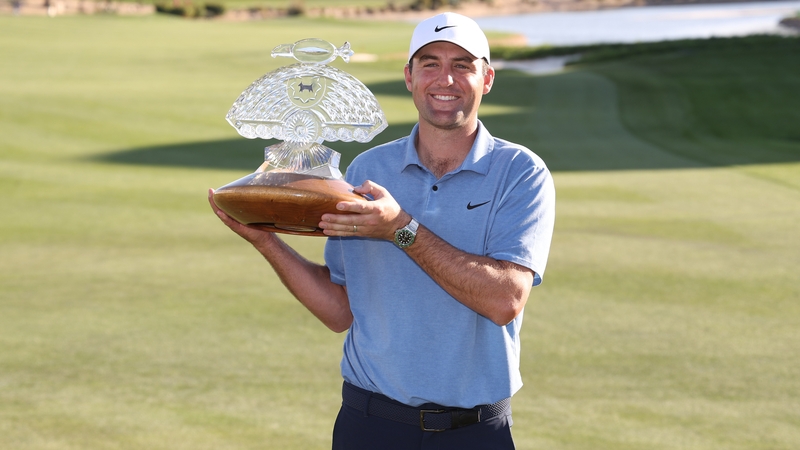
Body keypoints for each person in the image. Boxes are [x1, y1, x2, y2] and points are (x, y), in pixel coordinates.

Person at [209, 11, 555, 450]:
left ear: (486, 78)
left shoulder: (521, 172)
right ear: (409, 76)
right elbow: (340, 310)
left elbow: (505, 300)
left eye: (462, 65)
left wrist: (400, 228)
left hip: (473, 432)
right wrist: (266, 241)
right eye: (430, 63)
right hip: (370, 424)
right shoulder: (368, 169)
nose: (444, 79)